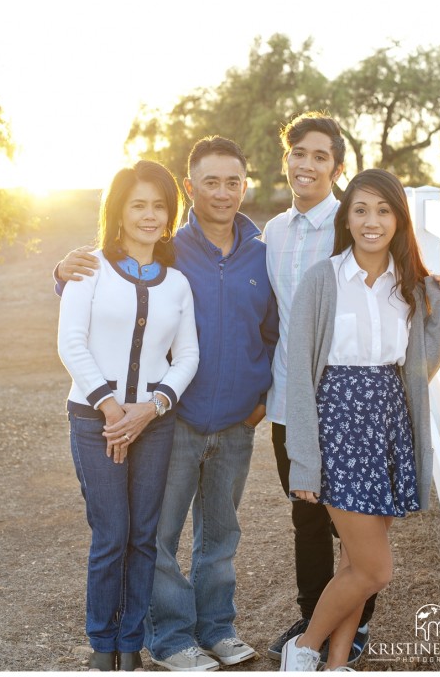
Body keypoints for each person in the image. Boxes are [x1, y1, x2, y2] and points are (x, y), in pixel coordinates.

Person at [56, 137, 279, 672]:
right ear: (191, 187)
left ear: (245, 185)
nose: (223, 193)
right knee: (139, 536)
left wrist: (255, 403)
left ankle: (190, 633)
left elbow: (252, 336)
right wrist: (60, 273)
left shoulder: (250, 255)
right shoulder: (136, 256)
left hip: (203, 421)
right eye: (210, 181)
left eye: (233, 182)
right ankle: (144, 641)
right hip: (139, 419)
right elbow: (86, 320)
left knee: (209, 535)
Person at [279, 168, 440, 671]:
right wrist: (304, 463)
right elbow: (299, 377)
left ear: (399, 219)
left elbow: (421, 363)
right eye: (360, 209)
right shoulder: (324, 279)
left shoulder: (409, 287)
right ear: (347, 218)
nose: (371, 221)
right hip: (337, 425)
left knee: (355, 563)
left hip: (386, 423)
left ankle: (337, 664)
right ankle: (305, 647)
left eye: (383, 210)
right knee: (376, 569)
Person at [57, 161, 199, 671]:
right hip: (95, 422)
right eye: (137, 204)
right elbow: (71, 342)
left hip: (153, 425)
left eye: (158, 206)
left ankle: (131, 642)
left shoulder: (177, 284)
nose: (148, 215)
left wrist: (152, 406)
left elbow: (187, 357)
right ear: (118, 211)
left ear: (169, 215)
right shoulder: (87, 269)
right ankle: (102, 643)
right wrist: (112, 408)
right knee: (111, 533)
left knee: (144, 535)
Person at [263, 112, 375, 667]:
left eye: (320, 156)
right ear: (287, 159)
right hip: (290, 401)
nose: (307, 165)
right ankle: (314, 616)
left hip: (345, 403)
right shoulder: (275, 232)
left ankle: (353, 629)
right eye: (298, 154)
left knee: (353, 520)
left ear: (337, 166)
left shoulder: (350, 223)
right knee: (305, 517)